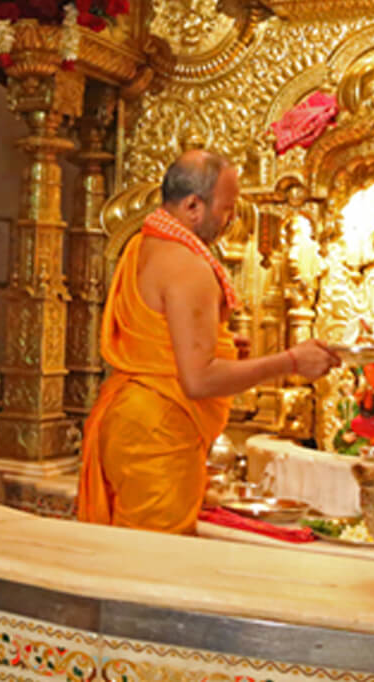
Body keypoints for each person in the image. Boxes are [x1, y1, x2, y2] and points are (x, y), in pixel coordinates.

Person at [77, 150, 340, 534]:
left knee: (130, 555)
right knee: (152, 569)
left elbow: (157, 339)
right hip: (158, 431)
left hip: (131, 419)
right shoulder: (188, 265)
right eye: (227, 208)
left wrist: (220, 345)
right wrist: (291, 361)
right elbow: (198, 380)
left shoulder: (144, 244)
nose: (230, 220)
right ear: (193, 205)